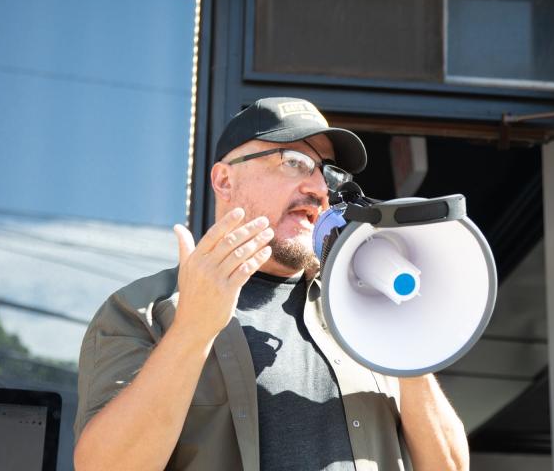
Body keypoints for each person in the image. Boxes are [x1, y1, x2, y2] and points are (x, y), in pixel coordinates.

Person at [73, 97, 469, 471]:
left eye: (327, 172)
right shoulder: (146, 310)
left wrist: (406, 342)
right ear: (225, 181)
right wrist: (191, 331)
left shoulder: (361, 306)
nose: (318, 189)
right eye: (294, 162)